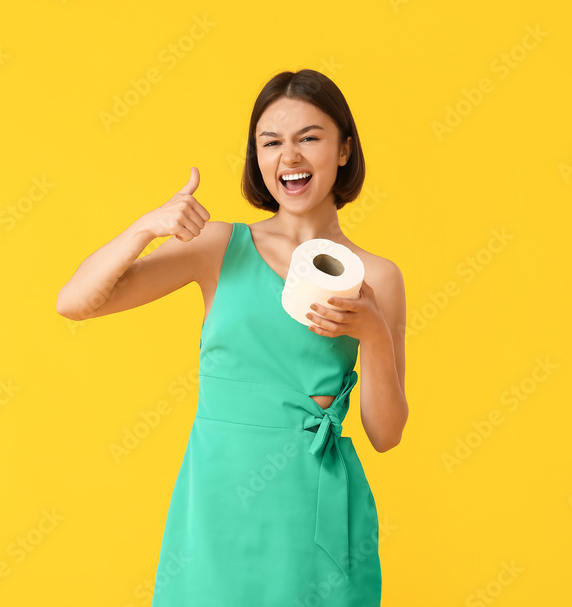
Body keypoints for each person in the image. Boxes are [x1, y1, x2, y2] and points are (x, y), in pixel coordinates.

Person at [57, 69, 408, 605]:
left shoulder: (377, 277)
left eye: (309, 138)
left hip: (312, 510)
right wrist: (145, 229)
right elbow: (75, 302)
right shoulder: (218, 248)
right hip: (217, 504)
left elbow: (385, 434)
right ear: (257, 158)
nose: (288, 157)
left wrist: (374, 334)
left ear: (343, 150)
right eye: (271, 143)